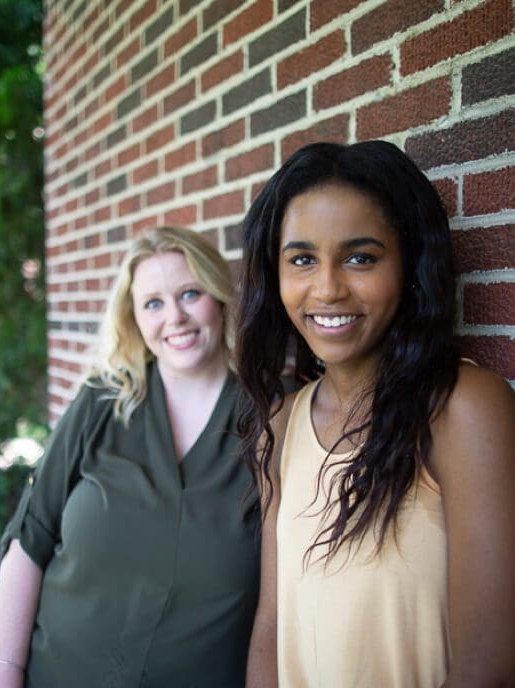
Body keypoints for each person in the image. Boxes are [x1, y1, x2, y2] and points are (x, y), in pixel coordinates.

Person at [235, 141, 515, 687]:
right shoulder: (283, 424)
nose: (328, 288)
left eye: (361, 258)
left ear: (409, 265)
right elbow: (271, 625)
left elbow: (489, 667)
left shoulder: (462, 408)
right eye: (302, 259)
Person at [0, 226, 260, 688]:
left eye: (189, 293)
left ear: (218, 297)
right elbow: (28, 544)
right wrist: (4, 676)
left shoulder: (269, 420)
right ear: (133, 318)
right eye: (153, 303)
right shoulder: (100, 402)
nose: (174, 316)